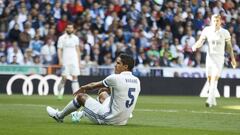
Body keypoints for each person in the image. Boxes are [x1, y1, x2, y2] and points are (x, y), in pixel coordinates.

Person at [46, 53, 141, 125]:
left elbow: (93, 86)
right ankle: (81, 114)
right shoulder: (137, 80)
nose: (115, 65)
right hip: (123, 121)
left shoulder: (115, 78)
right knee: (103, 93)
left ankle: (59, 116)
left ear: (125, 66)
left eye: (118, 63)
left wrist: (83, 88)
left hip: (109, 119)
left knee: (80, 97)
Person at [192, 14, 237, 107]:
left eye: (217, 21)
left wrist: (232, 58)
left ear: (220, 21)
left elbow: (229, 47)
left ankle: (209, 99)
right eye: (214, 21)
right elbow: (201, 41)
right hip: (210, 58)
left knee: (214, 78)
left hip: (219, 58)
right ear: (211, 21)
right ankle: (213, 99)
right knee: (209, 79)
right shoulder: (207, 30)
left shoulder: (225, 32)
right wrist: (195, 46)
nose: (216, 22)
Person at [57, 23, 81, 99]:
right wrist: (60, 59)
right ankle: (59, 93)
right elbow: (59, 49)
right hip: (65, 60)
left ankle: (76, 95)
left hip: (74, 60)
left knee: (75, 76)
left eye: (71, 28)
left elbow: (77, 50)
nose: (70, 29)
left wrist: (79, 61)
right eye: (68, 28)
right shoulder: (61, 38)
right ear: (66, 29)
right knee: (64, 77)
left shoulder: (76, 38)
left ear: (73, 29)